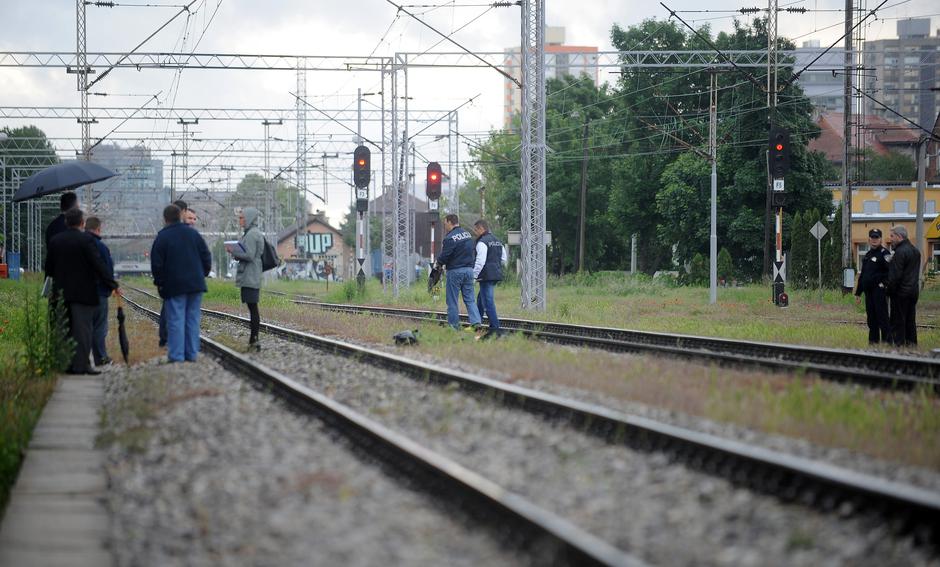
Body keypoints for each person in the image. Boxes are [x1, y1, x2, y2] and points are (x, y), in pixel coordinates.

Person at [44, 208, 119, 375]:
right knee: (83, 331)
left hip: (61, 294)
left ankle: (65, 364)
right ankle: (82, 365)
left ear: (66, 222)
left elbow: (48, 268)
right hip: (83, 294)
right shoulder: (86, 241)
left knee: (64, 329)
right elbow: (98, 265)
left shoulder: (56, 241)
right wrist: (112, 284)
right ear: (82, 223)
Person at [151, 204, 212, 363]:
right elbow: (206, 256)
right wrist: (202, 274)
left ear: (165, 219)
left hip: (174, 285)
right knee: (193, 319)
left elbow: (157, 264)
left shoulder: (162, 237)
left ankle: (177, 356)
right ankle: (192, 354)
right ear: (180, 216)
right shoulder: (193, 234)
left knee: (176, 319)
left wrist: (160, 283)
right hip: (195, 284)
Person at [434, 214, 481, 331]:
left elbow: (445, 256)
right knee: (470, 299)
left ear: (450, 222)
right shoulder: (468, 235)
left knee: (452, 301)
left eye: (445, 223)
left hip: (455, 271)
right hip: (469, 271)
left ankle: (454, 327)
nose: (444, 226)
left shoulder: (450, 237)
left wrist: (438, 263)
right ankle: (476, 323)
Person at [228, 207, 265, 350]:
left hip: (250, 274)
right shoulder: (252, 233)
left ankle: (254, 340)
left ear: (249, 218)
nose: (240, 221)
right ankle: (253, 340)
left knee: (253, 307)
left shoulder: (251, 234)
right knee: (252, 307)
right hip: (252, 274)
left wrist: (234, 252)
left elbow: (249, 255)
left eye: (242, 218)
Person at [158, 199, 189, 347]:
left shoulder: (163, 234)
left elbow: (157, 261)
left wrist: (159, 281)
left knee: (169, 308)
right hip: (180, 278)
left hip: (170, 278)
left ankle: (166, 337)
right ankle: (175, 341)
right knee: (178, 311)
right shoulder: (185, 233)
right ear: (182, 212)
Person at [85, 216, 115, 365]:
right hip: (99, 292)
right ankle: (100, 357)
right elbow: (106, 269)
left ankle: (83, 358)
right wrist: (112, 286)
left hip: (81, 292)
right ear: (98, 229)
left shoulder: (79, 244)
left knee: (84, 326)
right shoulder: (101, 247)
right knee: (99, 326)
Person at [854, 228, 891, 344]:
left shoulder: (884, 253)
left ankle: (887, 342)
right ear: (869, 239)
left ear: (881, 239)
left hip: (879, 291)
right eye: (873, 238)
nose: (874, 240)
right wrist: (858, 293)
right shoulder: (867, 255)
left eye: (877, 238)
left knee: (882, 317)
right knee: (871, 318)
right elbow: (863, 275)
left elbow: (890, 272)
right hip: (868, 292)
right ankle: (873, 342)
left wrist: (883, 284)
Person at [471, 219, 507, 338]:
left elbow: (480, 261)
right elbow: (504, 259)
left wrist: (474, 275)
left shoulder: (482, 242)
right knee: (481, 299)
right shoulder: (497, 241)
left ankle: (495, 328)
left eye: (476, 230)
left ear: (482, 228)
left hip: (486, 275)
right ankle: (477, 323)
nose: (475, 232)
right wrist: (495, 266)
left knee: (488, 301)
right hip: (495, 274)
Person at [886, 225, 921, 347]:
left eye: (892, 236)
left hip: (900, 293)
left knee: (898, 321)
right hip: (913, 292)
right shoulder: (915, 251)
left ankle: (899, 348)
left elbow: (895, 276)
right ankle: (912, 346)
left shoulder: (900, 252)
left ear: (899, 236)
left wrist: (888, 290)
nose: (890, 239)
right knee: (910, 321)